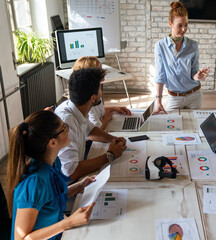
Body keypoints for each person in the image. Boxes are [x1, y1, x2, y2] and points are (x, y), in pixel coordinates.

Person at [6, 111, 96, 240]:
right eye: (64, 128)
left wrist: (79, 185)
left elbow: (51, 199)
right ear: (52, 142)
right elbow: (21, 238)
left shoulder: (52, 163)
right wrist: (69, 222)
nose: (68, 130)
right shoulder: (35, 182)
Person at [55, 68, 127, 180]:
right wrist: (110, 155)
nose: (101, 93)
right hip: (68, 188)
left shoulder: (74, 107)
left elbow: (91, 130)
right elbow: (70, 172)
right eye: (100, 89)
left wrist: (114, 139)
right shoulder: (67, 123)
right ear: (93, 98)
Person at [154, 1, 210, 114]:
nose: (184, 29)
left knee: (194, 129)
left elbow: (193, 74)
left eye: (186, 25)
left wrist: (198, 76)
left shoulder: (193, 45)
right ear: (170, 24)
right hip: (174, 98)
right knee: (172, 129)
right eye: (179, 25)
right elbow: (160, 76)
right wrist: (158, 101)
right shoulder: (160, 46)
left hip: (194, 96)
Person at [73, 56, 131, 130]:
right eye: (100, 70)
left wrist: (115, 108)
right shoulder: (88, 98)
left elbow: (98, 112)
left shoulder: (95, 89)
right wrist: (106, 118)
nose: (104, 72)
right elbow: (96, 129)